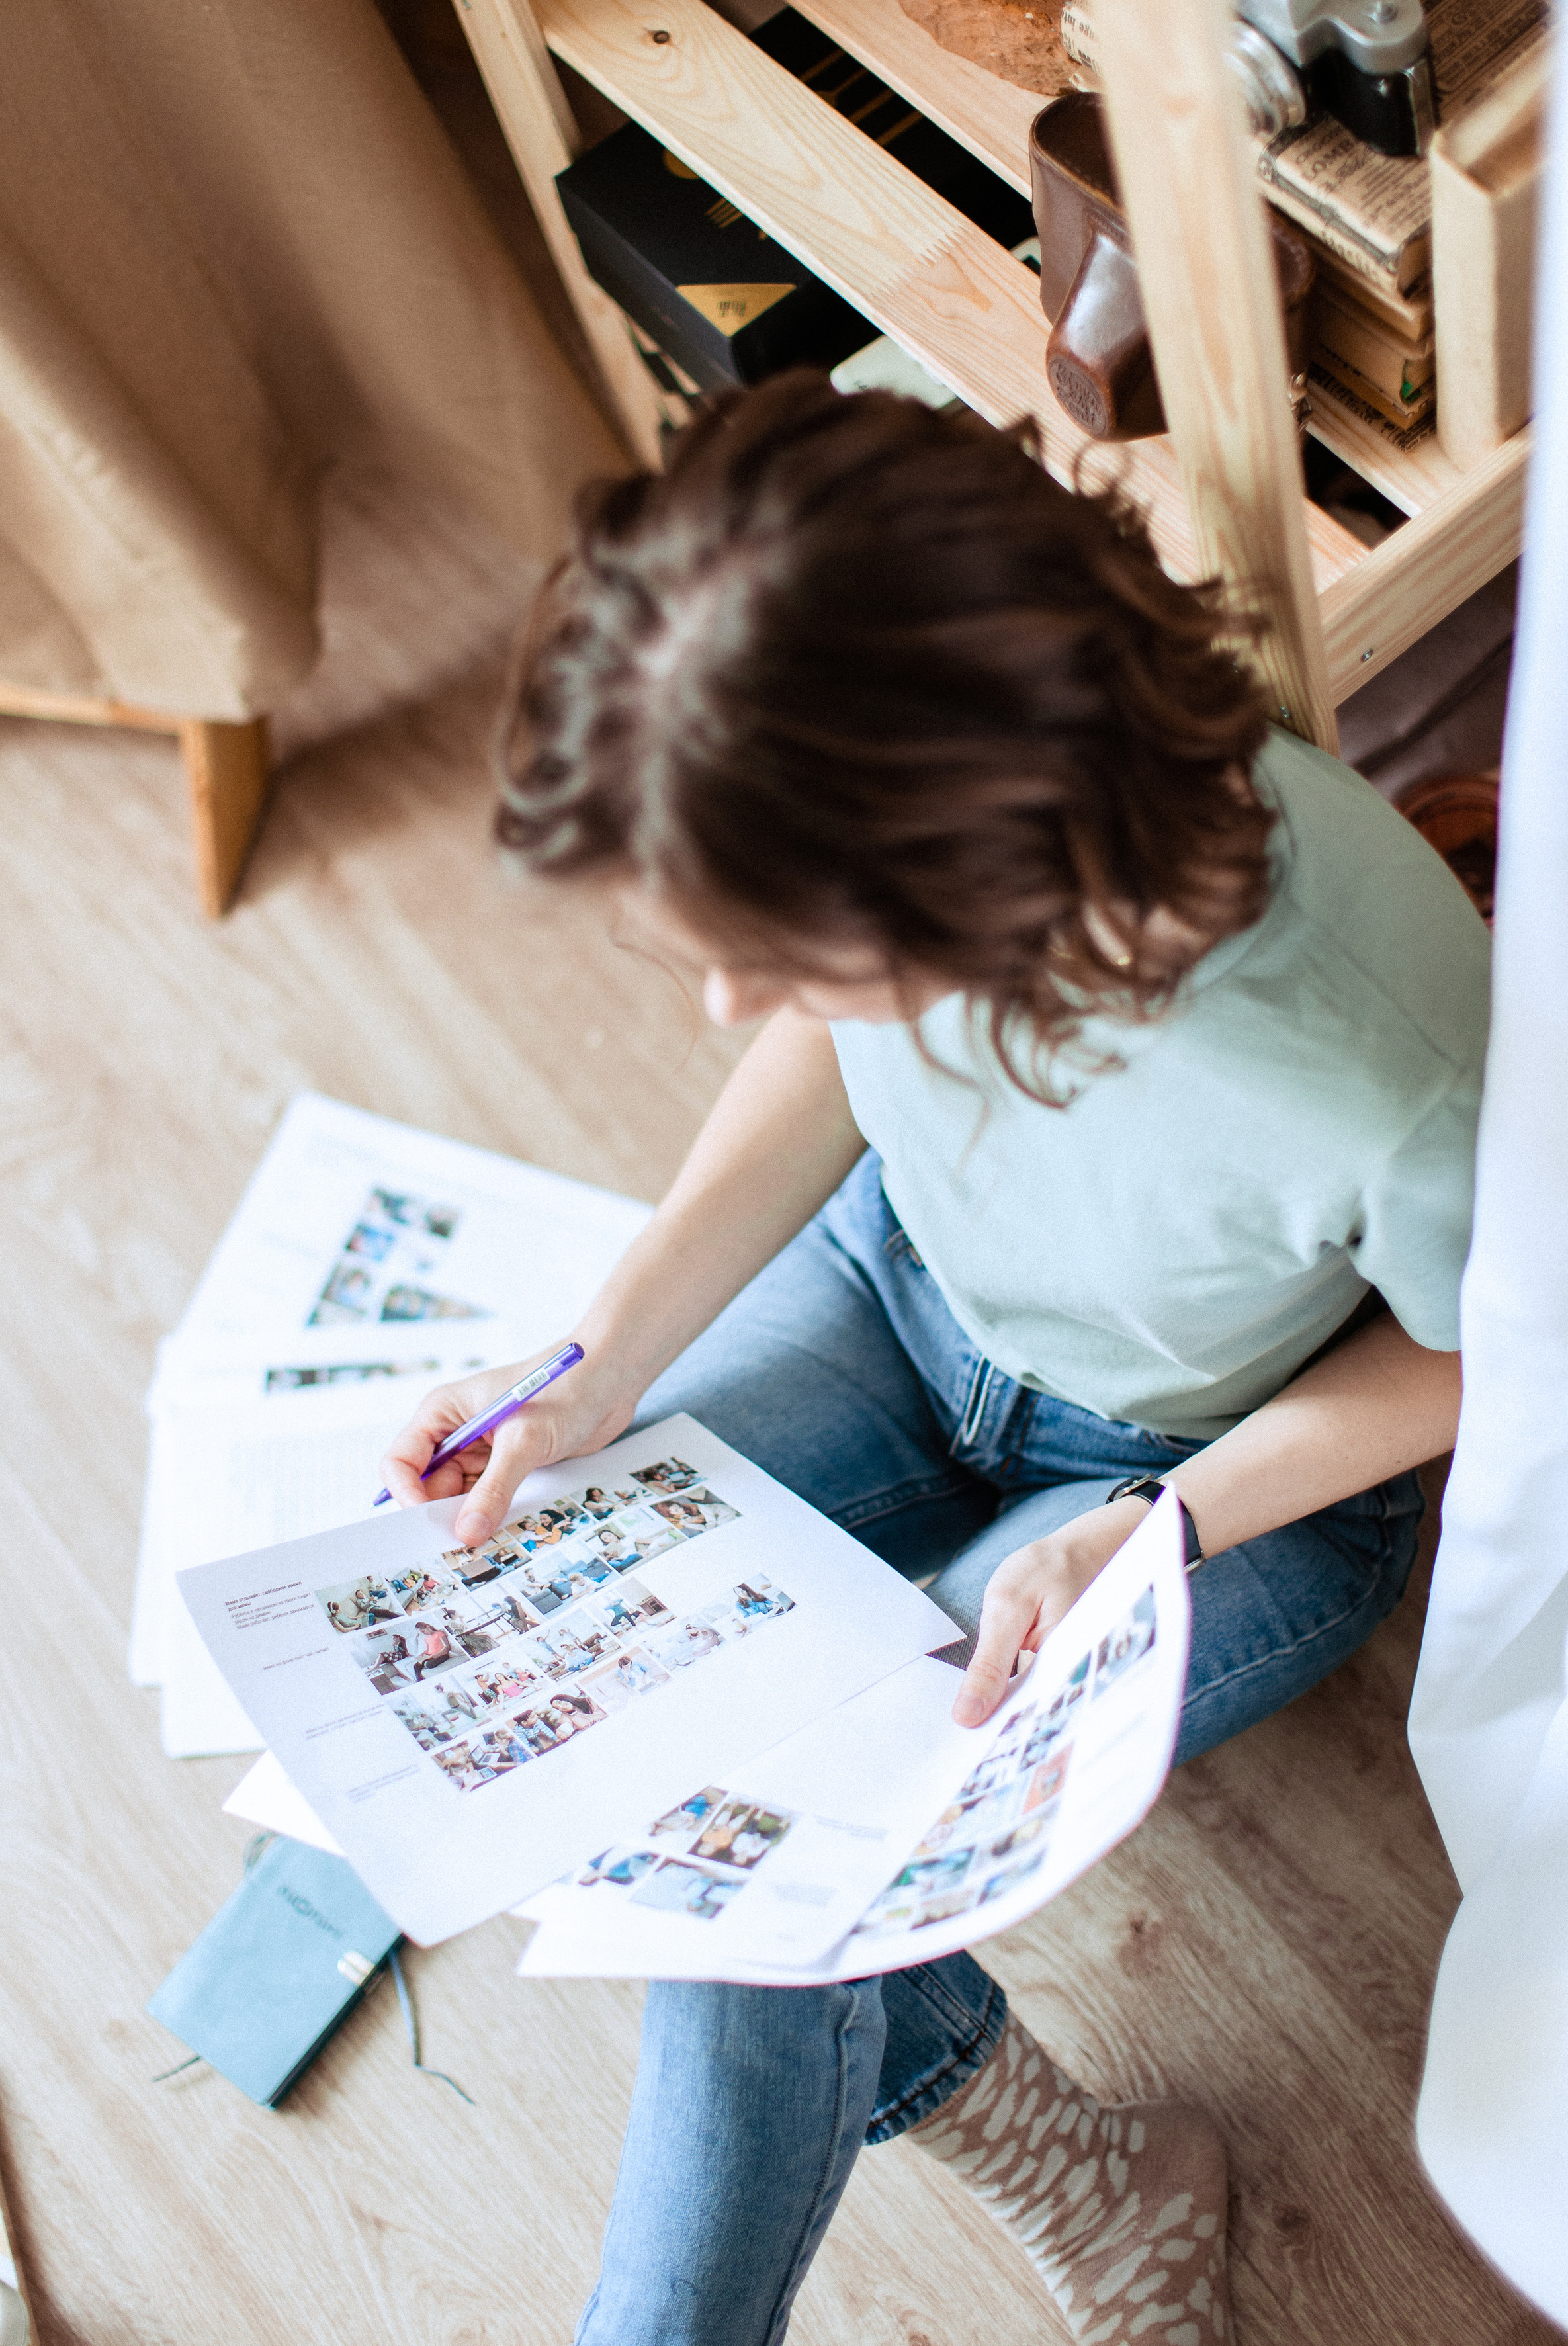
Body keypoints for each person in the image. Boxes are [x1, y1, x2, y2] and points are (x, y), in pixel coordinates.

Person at [381, 377, 1483, 2346]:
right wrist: (601, 1356)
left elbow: (1485, 1359)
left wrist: (1152, 1529)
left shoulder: (1373, 1055)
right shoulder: (869, 641)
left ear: (973, 867)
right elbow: (826, 1042)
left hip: (1207, 1479)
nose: (731, 1002)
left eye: (783, 944)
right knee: (589, 1703)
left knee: (760, 1911)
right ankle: (1079, 2168)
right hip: (895, 1288)